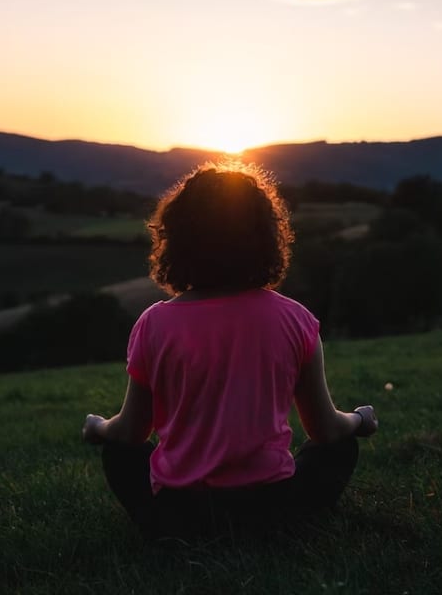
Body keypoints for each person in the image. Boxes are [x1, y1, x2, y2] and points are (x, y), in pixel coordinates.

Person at [82, 162, 377, 539]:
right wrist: (359, 420)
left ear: (178, 239)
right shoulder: (296, 319)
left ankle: (166, 528)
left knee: (118, 453)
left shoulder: (154, 324)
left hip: (177, 517)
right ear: (265, 238)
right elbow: (324, 430)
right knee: (339, 449)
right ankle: (288, 523)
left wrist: (98, 427)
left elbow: (131, 434)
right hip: (272, 512)